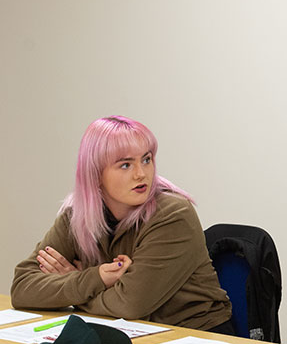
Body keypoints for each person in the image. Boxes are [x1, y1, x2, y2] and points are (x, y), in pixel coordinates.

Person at [11, 115, 233, 332]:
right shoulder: (78, 215)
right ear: (96, 173)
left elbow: (129, 305)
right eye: (126, 165)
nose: (141, 174)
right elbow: (22, 289)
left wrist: (74, 289)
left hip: (198, 340)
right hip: (132, 339)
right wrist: (97, 277)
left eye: (146, 160)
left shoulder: (173, 214)